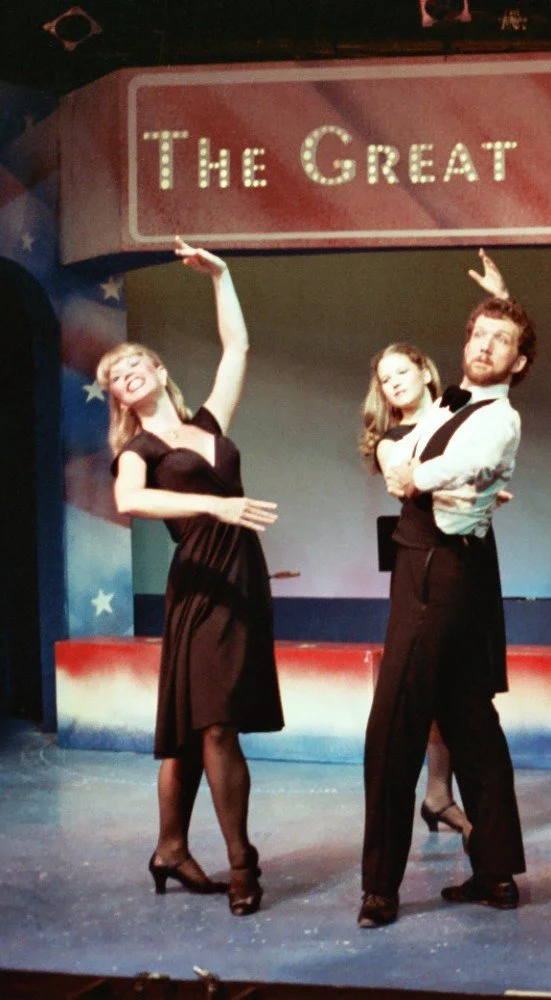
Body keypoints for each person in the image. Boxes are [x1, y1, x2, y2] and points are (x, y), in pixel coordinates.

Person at [101, 238, 282, 917]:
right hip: (199, 582)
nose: (129, 374)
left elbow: (236, 350)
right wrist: (213, 503)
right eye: (117, 376)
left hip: (242, 579)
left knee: (194, 724)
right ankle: (243, 861)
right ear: (118, 399)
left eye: (137, 363)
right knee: (211, 726)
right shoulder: (138, 450)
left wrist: (223, 277)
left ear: (159, 369)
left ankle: (170, 849)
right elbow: (130, 502)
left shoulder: (208, 424)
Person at [356, 254, 534, 928]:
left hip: (438, 570)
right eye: (477, 335)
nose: (485, 346)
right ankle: (494, 872)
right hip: (436, 562)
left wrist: (425, 473)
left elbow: (414, 476)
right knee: (467, 720)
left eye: (501, 341)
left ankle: (380, 885)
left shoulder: (498, 418)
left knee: (395, 723)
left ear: (519, 363)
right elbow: (400, 462)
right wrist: (420, 470)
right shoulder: (446, 405)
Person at [358, 342, 474, 841]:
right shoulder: (391, 439)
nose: (395, 383)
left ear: (426, 371)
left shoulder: (462, 416)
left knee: (458, 682)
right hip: (421, 564)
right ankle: (428, 797)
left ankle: (439, 792)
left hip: (468, 559)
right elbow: (406, 481)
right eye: (386, 379)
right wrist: (468, 482)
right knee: (420, 685)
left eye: (402, 371)